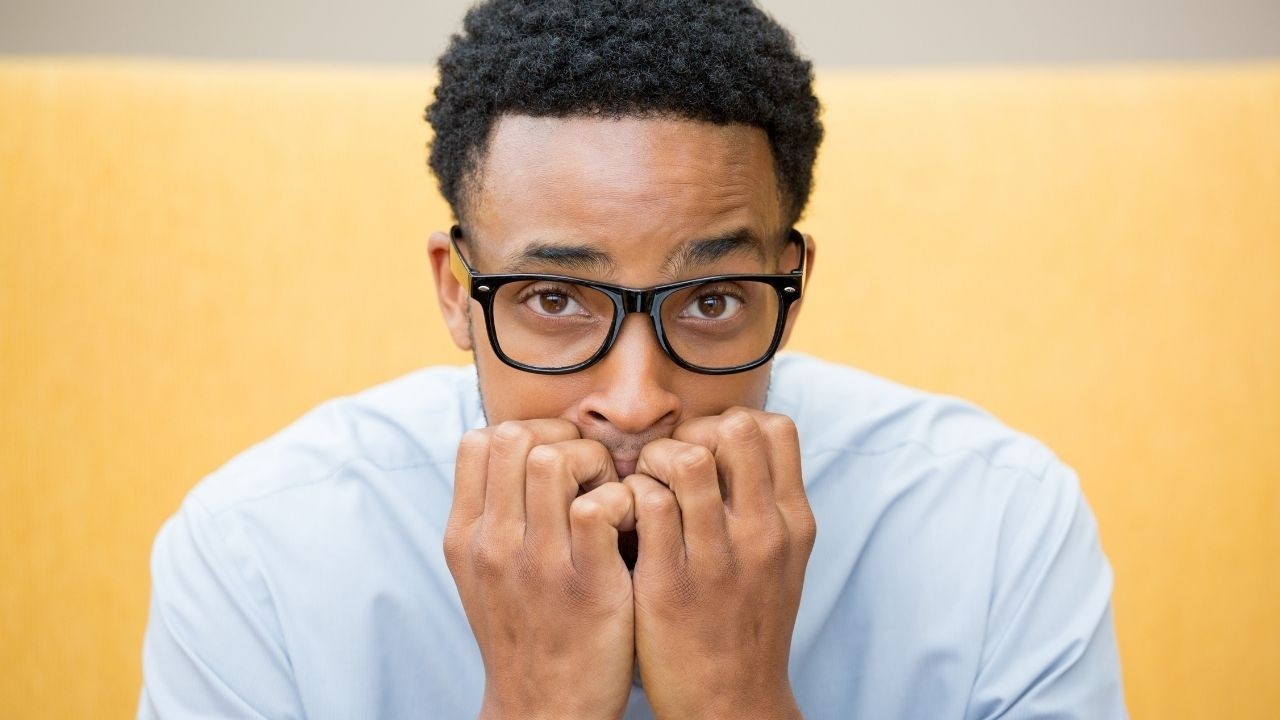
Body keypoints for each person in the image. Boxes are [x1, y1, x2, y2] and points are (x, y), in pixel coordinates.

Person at [138, 1, 1127, 717]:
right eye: (555, 300)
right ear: (456, 292)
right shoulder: (256, 555)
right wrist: (536, 704)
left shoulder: (997, 524)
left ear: (789, 287)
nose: (635, 399)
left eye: (710, 302)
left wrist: (735, 701)